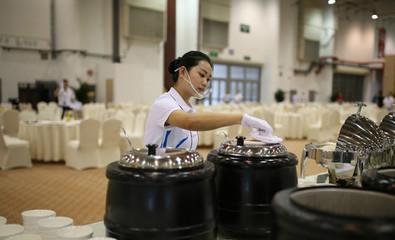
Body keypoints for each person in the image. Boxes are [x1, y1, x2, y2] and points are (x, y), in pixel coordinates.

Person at [144, 51, 281, 150]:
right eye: (201, 75)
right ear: (182, 72)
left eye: (208, 79)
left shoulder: (189, 108)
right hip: (159, 178)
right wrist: (242, 119)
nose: (205, 83)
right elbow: (190, 122)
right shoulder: (164, 103)